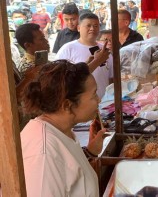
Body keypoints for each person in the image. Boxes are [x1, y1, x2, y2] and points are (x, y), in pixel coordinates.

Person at [21, 60, 106, 196]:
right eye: (94, 94)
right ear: (67, 105)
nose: (99, 100)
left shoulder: (62, 129)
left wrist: (90, 153)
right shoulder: (43, 154)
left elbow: (68, 172)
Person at [56, 12, 113, 98]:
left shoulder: (105, 51)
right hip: (80, 103)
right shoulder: (67, 49)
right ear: (78, 28)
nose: (92, 29)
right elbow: (60, 79)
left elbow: (111, 78)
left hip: (104, 102)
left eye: (96, 26)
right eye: (88, 25)